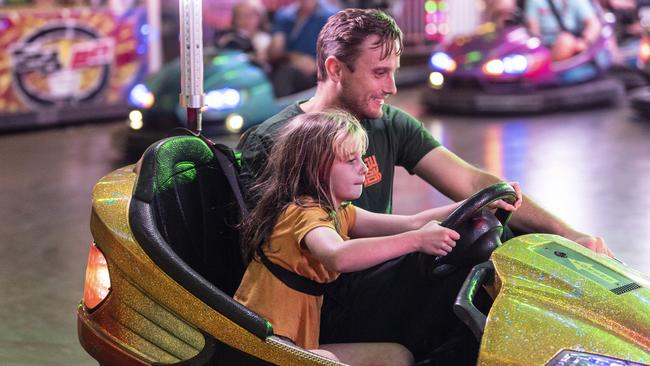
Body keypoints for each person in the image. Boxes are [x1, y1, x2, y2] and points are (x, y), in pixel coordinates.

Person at [238, 8, 613, 361]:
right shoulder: (278, 141)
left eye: (395, 71)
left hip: (376, 280)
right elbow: (284, 255)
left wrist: (568, 234)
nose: (393, 87)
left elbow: (469, 181)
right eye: (380, 72)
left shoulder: (386, 123)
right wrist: (419, 239)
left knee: (501, 233)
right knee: (466, 275)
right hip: (325, 305)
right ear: (336, 69)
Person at [234, 109, 521, 364]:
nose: (364, 167)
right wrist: (417, 241)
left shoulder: (338, 211)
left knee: (398, 355)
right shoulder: (302, 213)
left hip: (297, 343)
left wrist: (480, 201)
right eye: (351, 160)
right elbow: (338, 256)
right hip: (266, 349)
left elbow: (412, 221)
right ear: (316, 167)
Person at [266, 0, 338, 96]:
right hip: (286, 64)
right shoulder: (285, 15)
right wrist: (289, 55)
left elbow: (338, 53)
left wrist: (317, 65)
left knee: (285, 74)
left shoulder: (330, 16)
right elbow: (273, 54)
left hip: (316, 72)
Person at [525, 0, 602, 61]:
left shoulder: (577, 1)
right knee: (566, 41)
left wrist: (584, 42)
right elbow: (534, 32)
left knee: (567, 40)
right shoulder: (534, 1)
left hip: (577, 43)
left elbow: (593, 24)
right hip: (547, 49)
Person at [212, 0, 272, 70]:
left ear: (259, 16)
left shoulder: (266, 39)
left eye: (249, 16)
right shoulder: (228, 38)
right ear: (234, 19)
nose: (245, 20)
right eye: (240, 16)